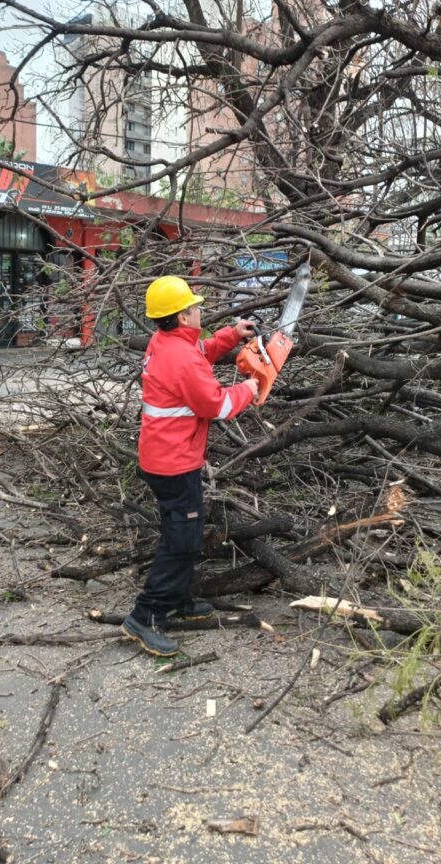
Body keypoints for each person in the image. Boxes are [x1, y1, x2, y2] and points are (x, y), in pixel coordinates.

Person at [121, 275, 259, 656]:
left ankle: (178, 599)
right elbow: (218, 406)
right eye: (196, 308)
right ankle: (144, 616)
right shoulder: (180, 357)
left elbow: (201, 354)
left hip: (168, 457)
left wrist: (232, 335)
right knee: (182, 540)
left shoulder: (169, 343)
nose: (201, 311)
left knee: (186, 532)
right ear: (182, 317)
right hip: (174, 463)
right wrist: (251, 387)